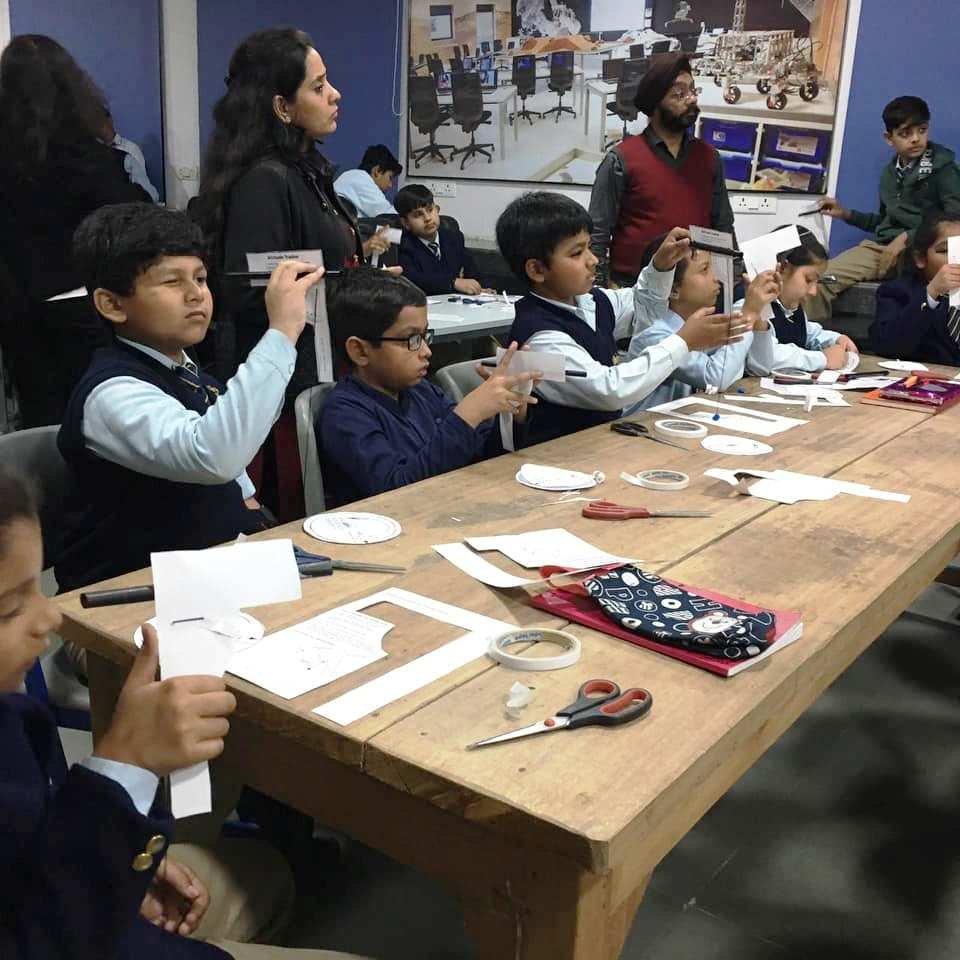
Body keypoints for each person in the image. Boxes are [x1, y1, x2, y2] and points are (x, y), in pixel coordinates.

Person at [0, 467, 369, 960]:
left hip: (73, 901)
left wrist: (120, 862)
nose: (50, 617)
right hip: (70, 932)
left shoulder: (12, 716)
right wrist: (124, 767)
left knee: (268, 873)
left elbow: (32, 847)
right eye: (9, 608)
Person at [54, 203, 322, 594]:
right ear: (112, 304)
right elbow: (214, 454)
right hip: (130, 595)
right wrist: (281, 331)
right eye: (172, 282)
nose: (196, 294)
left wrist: (248, 502)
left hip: (209, 572)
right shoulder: (111, 393)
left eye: (200, 278)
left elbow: (231, 446)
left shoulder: (187, 371)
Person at [196, 27, 391, 518]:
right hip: (287, 382)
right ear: (282, 107)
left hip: (323, 363)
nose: (335, 94)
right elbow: (255, 291)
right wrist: (352, 290)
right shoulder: (265, 181)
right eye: (318, 86)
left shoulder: (306, 171)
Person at [495, 191, 739, 445]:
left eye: (590, 247)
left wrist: (662, 266)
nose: (593, 260)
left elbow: (644, 307)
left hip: (599, 443)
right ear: (537, 269)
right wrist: (683, 342)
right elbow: (609, 390)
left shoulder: (592, 301)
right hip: (555, 453)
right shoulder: (540, 339)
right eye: (576, 253)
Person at [0, 34, 150, 427]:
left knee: (39, 421)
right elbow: (131, 219)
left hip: (18, 309)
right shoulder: (88, 157)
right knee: (95, 422)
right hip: (82, 308)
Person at [319, 267, 538, 505]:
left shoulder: (422, 390)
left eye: (425, 336)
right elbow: (396, 490)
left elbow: (480, 456)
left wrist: (511, 412)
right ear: (360, 351)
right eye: (412, 339)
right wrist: (468, 414)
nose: (426, 351)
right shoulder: (344, 413)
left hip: (450, 507)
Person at [587, 53, 735, 287]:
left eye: (693, 90)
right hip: (633, 287)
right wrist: (599, 291)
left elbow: (723, 226)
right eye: (679, 93)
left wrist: (731, 285)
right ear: (655, 103)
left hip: (692, 290)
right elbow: (597, 233)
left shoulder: (709, 158)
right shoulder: (621, 160)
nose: (691, 99)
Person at [809, 96, 960, 322]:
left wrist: (907, 238)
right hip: (883, 249)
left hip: (925, 251)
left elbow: (955, 217)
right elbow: (884, 221)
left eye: (922, 130)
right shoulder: (889, 174)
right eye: (905, 133)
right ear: (889, 138)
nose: (916, 138)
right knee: (821, 279)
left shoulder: (943, 168)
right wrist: (846, 214)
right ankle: (813, 339)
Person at [625, 233, 777, 410]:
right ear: (673, 289)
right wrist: (748, 313)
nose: (716, 278)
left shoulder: (699, 325)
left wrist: (758, 313)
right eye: (704, 270)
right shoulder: (655, 334)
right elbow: (715, 378)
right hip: (638, 424)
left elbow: (760, 367)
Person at [745, 226, 859, 375]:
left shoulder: (791, 309)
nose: (813, 292)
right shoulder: (748, 306)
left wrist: (835, 339)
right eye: (809, 279)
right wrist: (822, 359)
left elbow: (808, 332)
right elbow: (768, 356)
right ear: (782, 268)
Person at [869, 211, 960, 365]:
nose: (957, 259)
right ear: (920, 258)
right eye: (945, 251)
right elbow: (886, 345)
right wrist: (932, 293)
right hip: (927, 375)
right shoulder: (897, 291)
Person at [395, 184, 489, 295]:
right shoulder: (402, 244)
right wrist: (452, 282)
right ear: (405, 223)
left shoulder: (454, 238)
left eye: (430, 210)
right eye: (418, 215)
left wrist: (482, 288)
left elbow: (473, 273)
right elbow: (413, 279)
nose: (428, 218)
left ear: (437, 209)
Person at [333, 144, 402, 218]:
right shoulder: (361, 178)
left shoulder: (351, 175)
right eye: (390, 177)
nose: (390, 185)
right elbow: (389, 215)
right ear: (377, 171)